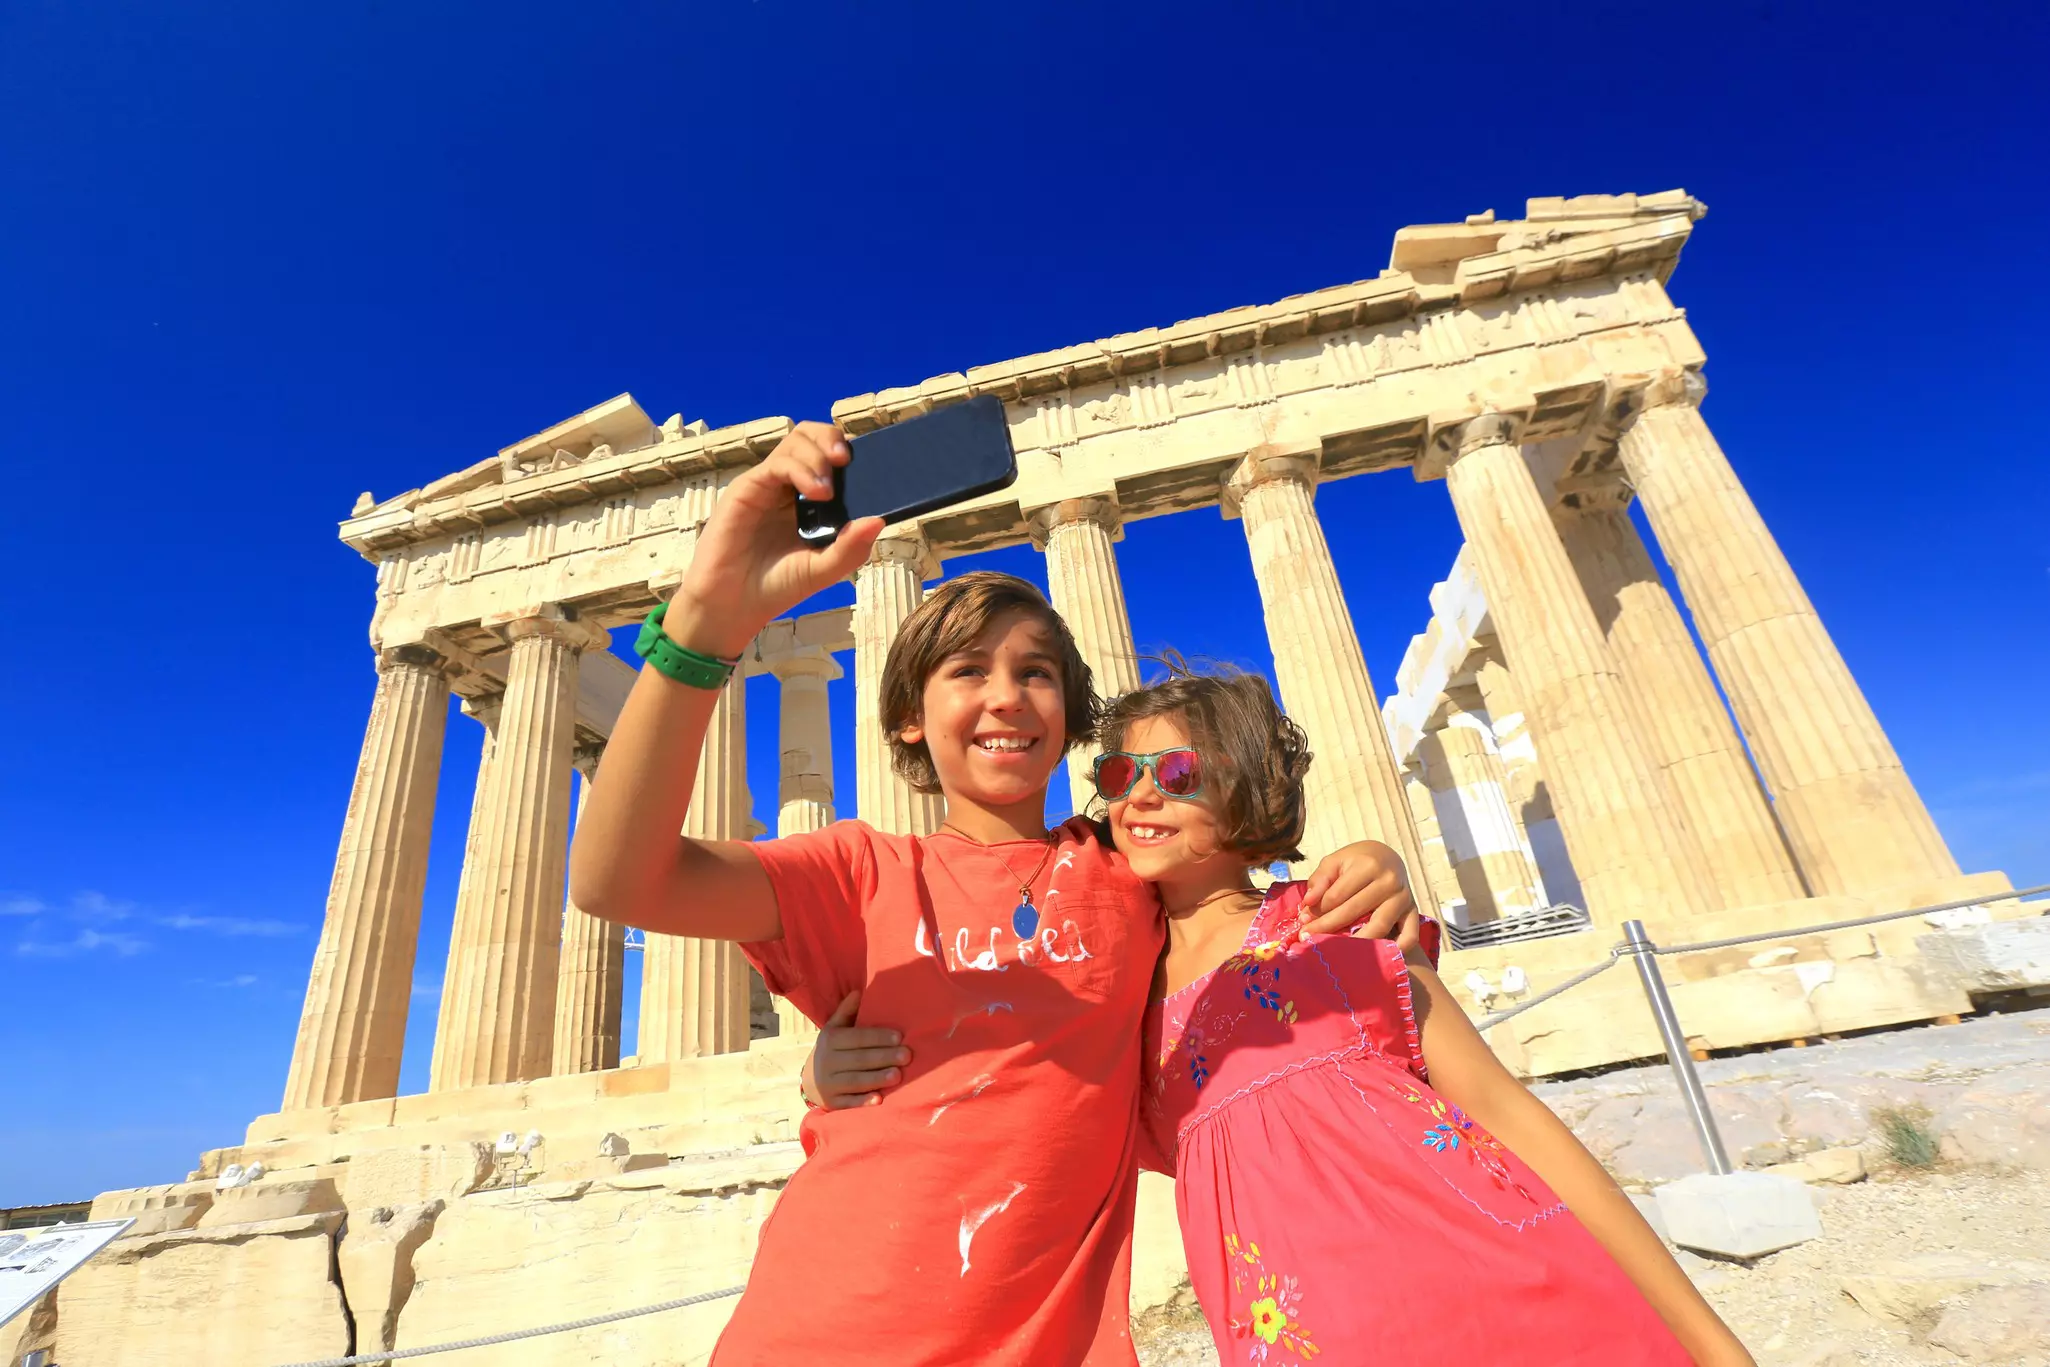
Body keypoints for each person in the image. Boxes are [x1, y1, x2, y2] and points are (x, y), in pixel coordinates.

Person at [568, 422, 1415, 1367]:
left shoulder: (1128, 871)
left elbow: (1258, 910)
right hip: (820, 1332)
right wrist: (705, 626)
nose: (1007, 696)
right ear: (907, 719)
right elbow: (616, 879)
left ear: (1070, 721)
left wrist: (1373, 859)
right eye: (967, 670)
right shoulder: (859, 873)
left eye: (1037, 673)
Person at [808, 657, 1759, 1366]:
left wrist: (1712, 1341)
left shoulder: (1335, 928)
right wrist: (819, 1072)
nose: (1141, 796)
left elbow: (1513, 1117)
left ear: (1247, 783)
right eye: (1116, 778)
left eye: (1176, 775)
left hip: (1517, 1304)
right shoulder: (1118, 1012)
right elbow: (991, 1074)